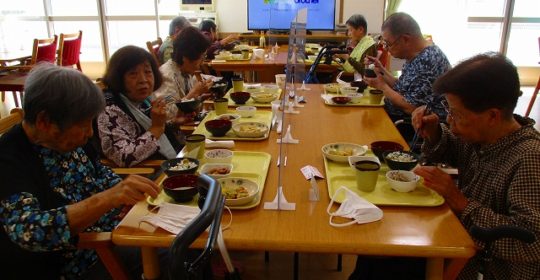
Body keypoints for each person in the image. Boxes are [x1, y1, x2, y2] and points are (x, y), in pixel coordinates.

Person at [0, 64, 160, 279]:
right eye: (83, 124)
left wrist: (124, 196)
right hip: (80, 261)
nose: (89, 133)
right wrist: (109, 198)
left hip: (114, 233)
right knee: (175, 252)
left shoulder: (70, 141)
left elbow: (101, 175)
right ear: (44, 121)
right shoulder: (9, 158)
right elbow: (30, 232)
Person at [412, 53, 540, 280]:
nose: (450, 121)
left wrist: (459, 201)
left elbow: (531, 242)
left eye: (457, 114)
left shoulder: (529, 157)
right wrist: (434, 133)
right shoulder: (483, 136)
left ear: (492, 115)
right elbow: (454, 149)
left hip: (486, 269)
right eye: (449, 111)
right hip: (460, 242)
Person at [97, 45, 184, 168]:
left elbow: (143, 129)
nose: (143, 80)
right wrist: (157, 128)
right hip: (143, 176)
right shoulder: (109, 109)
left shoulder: (141, 99)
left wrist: (173, 123)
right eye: (133, 74)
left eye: (148, 72)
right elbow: (124, 157)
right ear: (118, 78)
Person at [364, 12, 450, 122]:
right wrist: (381, 71)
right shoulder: (416, 55)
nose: (386, 48)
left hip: (408, 126)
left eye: (388, 43)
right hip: (396, 117)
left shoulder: (428, 60)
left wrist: (382, 87)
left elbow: (411, 107)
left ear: (405, 39)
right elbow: (402, 87)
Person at [154, 26, 213, 106]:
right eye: (201, 57)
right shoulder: (166, 76)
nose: (202, 63)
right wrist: (195, 92)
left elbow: (185, 98)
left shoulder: (184, 70)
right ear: (186, 58)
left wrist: (200, 97)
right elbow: (168, 113)